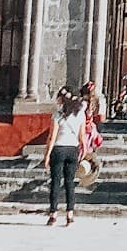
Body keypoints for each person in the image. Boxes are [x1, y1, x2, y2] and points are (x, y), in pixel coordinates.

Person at [42, 88, 86, 228]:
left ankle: (53, 214)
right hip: (73, 149)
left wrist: (47, 154)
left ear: (62, 99)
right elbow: (82, 137)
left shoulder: (57, 115)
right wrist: (83, 150)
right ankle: (70, 214)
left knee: (55, 182)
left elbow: (52, 137)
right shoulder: (80, 115)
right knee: (70, 182)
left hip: (59, 148)